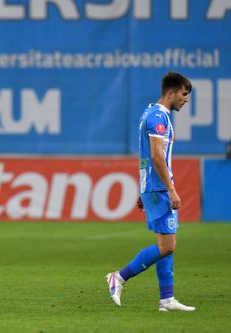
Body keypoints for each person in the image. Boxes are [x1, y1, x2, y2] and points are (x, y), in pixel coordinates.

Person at [106, 72, 195, 312]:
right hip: (159, 188)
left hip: (152, 186)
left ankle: (166, 299)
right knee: (167, 246)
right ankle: (119, 277)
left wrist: (144, 189)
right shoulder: (159, 118)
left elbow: (147, 155)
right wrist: (171, 189)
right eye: (184, 94)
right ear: (171, 93)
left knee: (165, 241)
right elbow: (156, 156)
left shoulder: (150, 112)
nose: (186, 100)